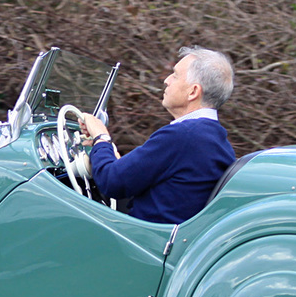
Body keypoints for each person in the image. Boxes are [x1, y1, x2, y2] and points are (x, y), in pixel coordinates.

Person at [78, 46, 237, 225]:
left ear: (193, 92)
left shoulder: (183, 136)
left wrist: (101, 136)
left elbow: (112, 182)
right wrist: (106, 152)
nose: (166, 81)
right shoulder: (215, 139)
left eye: (175, 75)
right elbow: (143, 180)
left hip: (140, 243)